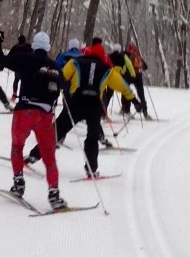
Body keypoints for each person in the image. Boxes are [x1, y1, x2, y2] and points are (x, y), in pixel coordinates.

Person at [1, 31, 67, 209]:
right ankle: (54, 194)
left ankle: (18, 183)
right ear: (48, 47)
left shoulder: (26, 58)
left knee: (17, 146)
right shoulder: (54, 66)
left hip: (24, 112)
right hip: (45, 116)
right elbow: (65, 86)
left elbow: (0, 59)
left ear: (34, 45)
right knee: (49, 156)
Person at [63, 39, 136, 177]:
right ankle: (91, 168)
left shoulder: (76, 60)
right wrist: (134, 95)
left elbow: (62, 75)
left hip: (75, 101)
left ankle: (35, 155)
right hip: (94, 103)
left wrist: (61, 86)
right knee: (92, 137)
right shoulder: (110, 63)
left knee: (60, 127)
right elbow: (124, 79)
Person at [25, 37, 82, 163]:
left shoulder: (64, 55)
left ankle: (46, 142)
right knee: (67, 115)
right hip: (77, 90)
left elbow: (56, 66)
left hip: (63, 85)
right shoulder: (83, 57)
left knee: (63, 116)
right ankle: (60, 138)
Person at [126, 42, 150, 116]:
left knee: (127, 93)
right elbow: (145, 67)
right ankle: (145, 112)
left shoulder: (127, 56)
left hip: (129, 76)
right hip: (138, 76)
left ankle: (127, 111)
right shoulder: (138, 55)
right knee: (141, 94)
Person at [6, 34, 31, 100]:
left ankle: (14, 95)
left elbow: (9, 56)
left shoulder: (15, 47)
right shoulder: (29, 46)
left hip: (18, 67)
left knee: (16, 80)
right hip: (27, 67)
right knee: (24, 82)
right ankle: (23, 96)